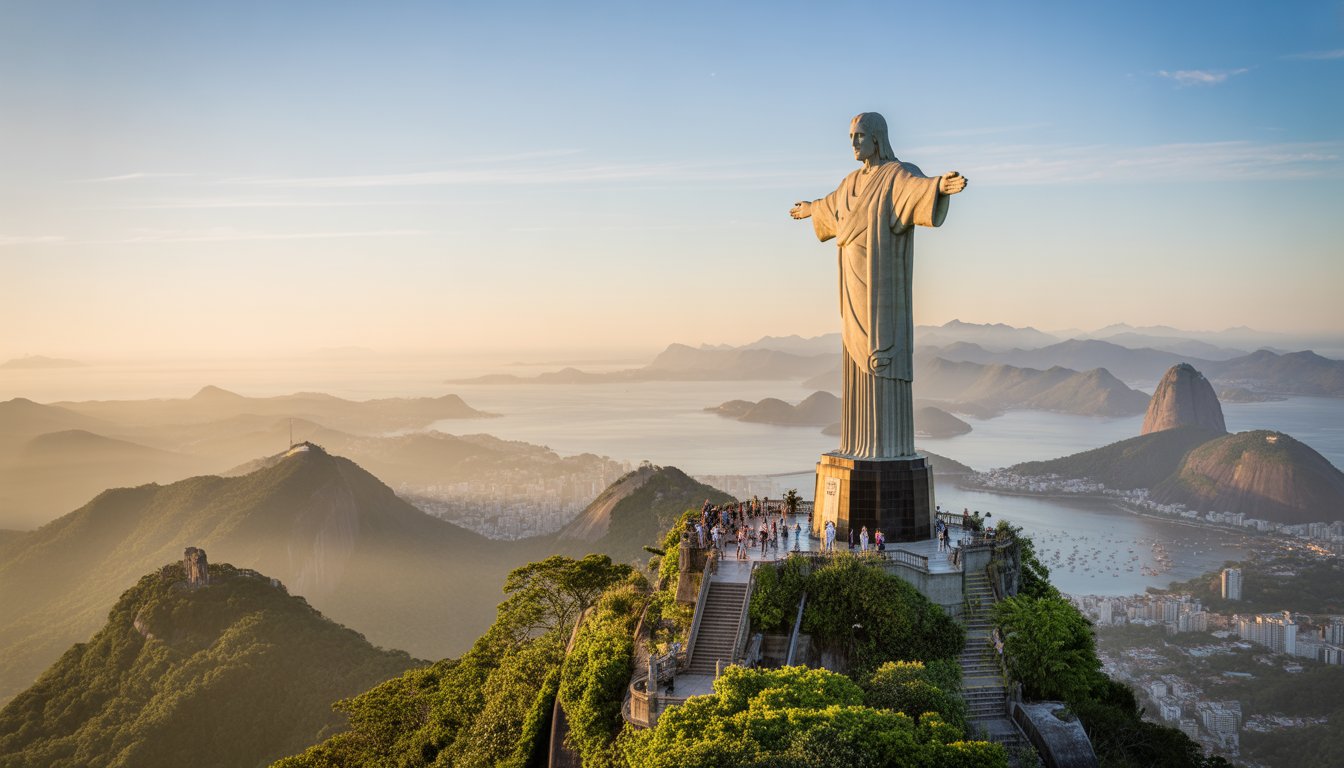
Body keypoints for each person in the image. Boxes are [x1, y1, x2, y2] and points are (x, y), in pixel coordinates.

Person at [790, 112, 967, 458]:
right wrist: (812, 209)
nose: (854, 143)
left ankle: (886, 447)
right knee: (855, 362)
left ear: (877, 138)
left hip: (882, 290)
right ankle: (856, 444)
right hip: (852, 287)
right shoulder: (849, 183)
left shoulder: (895, 175)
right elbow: (832, 208)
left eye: (860, 135)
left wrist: (939, 187)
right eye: (851, 137)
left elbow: (916, 191)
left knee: (880, 356)